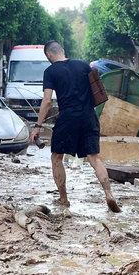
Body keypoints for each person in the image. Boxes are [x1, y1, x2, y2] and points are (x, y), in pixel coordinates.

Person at [29, 40, 121, 213]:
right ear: (62, 50)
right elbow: (98, 91)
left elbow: (47, 101)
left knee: (57, 157)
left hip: (67, 119)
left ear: (49, 55)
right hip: (89, 117)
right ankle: (109, 194)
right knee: (95, 158)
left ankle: (63, 199)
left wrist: (37, 126)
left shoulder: (50, 72)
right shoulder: (84, 65)